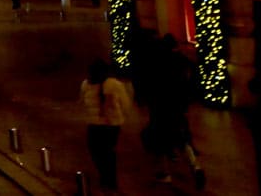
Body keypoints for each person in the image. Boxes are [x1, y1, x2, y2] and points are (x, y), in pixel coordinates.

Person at [140, 34, 204, 188]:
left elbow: (150, 84)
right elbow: (193, 78)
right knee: (182, 139)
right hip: (178, 105)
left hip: (161, 106)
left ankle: (164, 173)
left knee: (160, 140)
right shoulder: (182, 61)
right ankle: (195, 166)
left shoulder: (158, 62)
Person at [81, 57, 130, 193]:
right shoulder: (114, 84)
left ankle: (105, 177)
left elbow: (83, 102)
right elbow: (125, 103)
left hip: (95, 124)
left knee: (96, 151)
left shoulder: (86, 84)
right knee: (108, 152)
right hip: (111, 125)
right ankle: (110, 180)